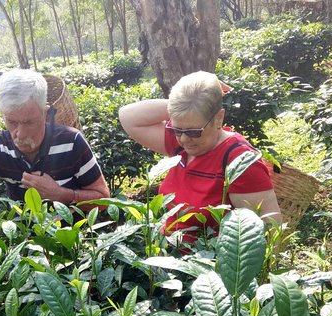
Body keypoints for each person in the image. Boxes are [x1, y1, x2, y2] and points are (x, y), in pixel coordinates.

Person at [119, 71, 282, 244]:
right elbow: (127, 117)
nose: (183, 139)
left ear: (218, 118)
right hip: (168, 254)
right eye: (176, 130)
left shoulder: (239, 162)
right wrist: (191, 101)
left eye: (193, 131)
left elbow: (268, 229)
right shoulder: (183, 142)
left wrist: (203, 104)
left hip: (207, 264)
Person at [0, 69, 110, 211]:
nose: (20, 134)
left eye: (29, 122)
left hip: (74, 242)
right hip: (25, 244)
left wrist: (60, 194)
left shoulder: (72, 141)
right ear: (3, 116)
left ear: (45, 113)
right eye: (12, 122)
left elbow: (104, 200)